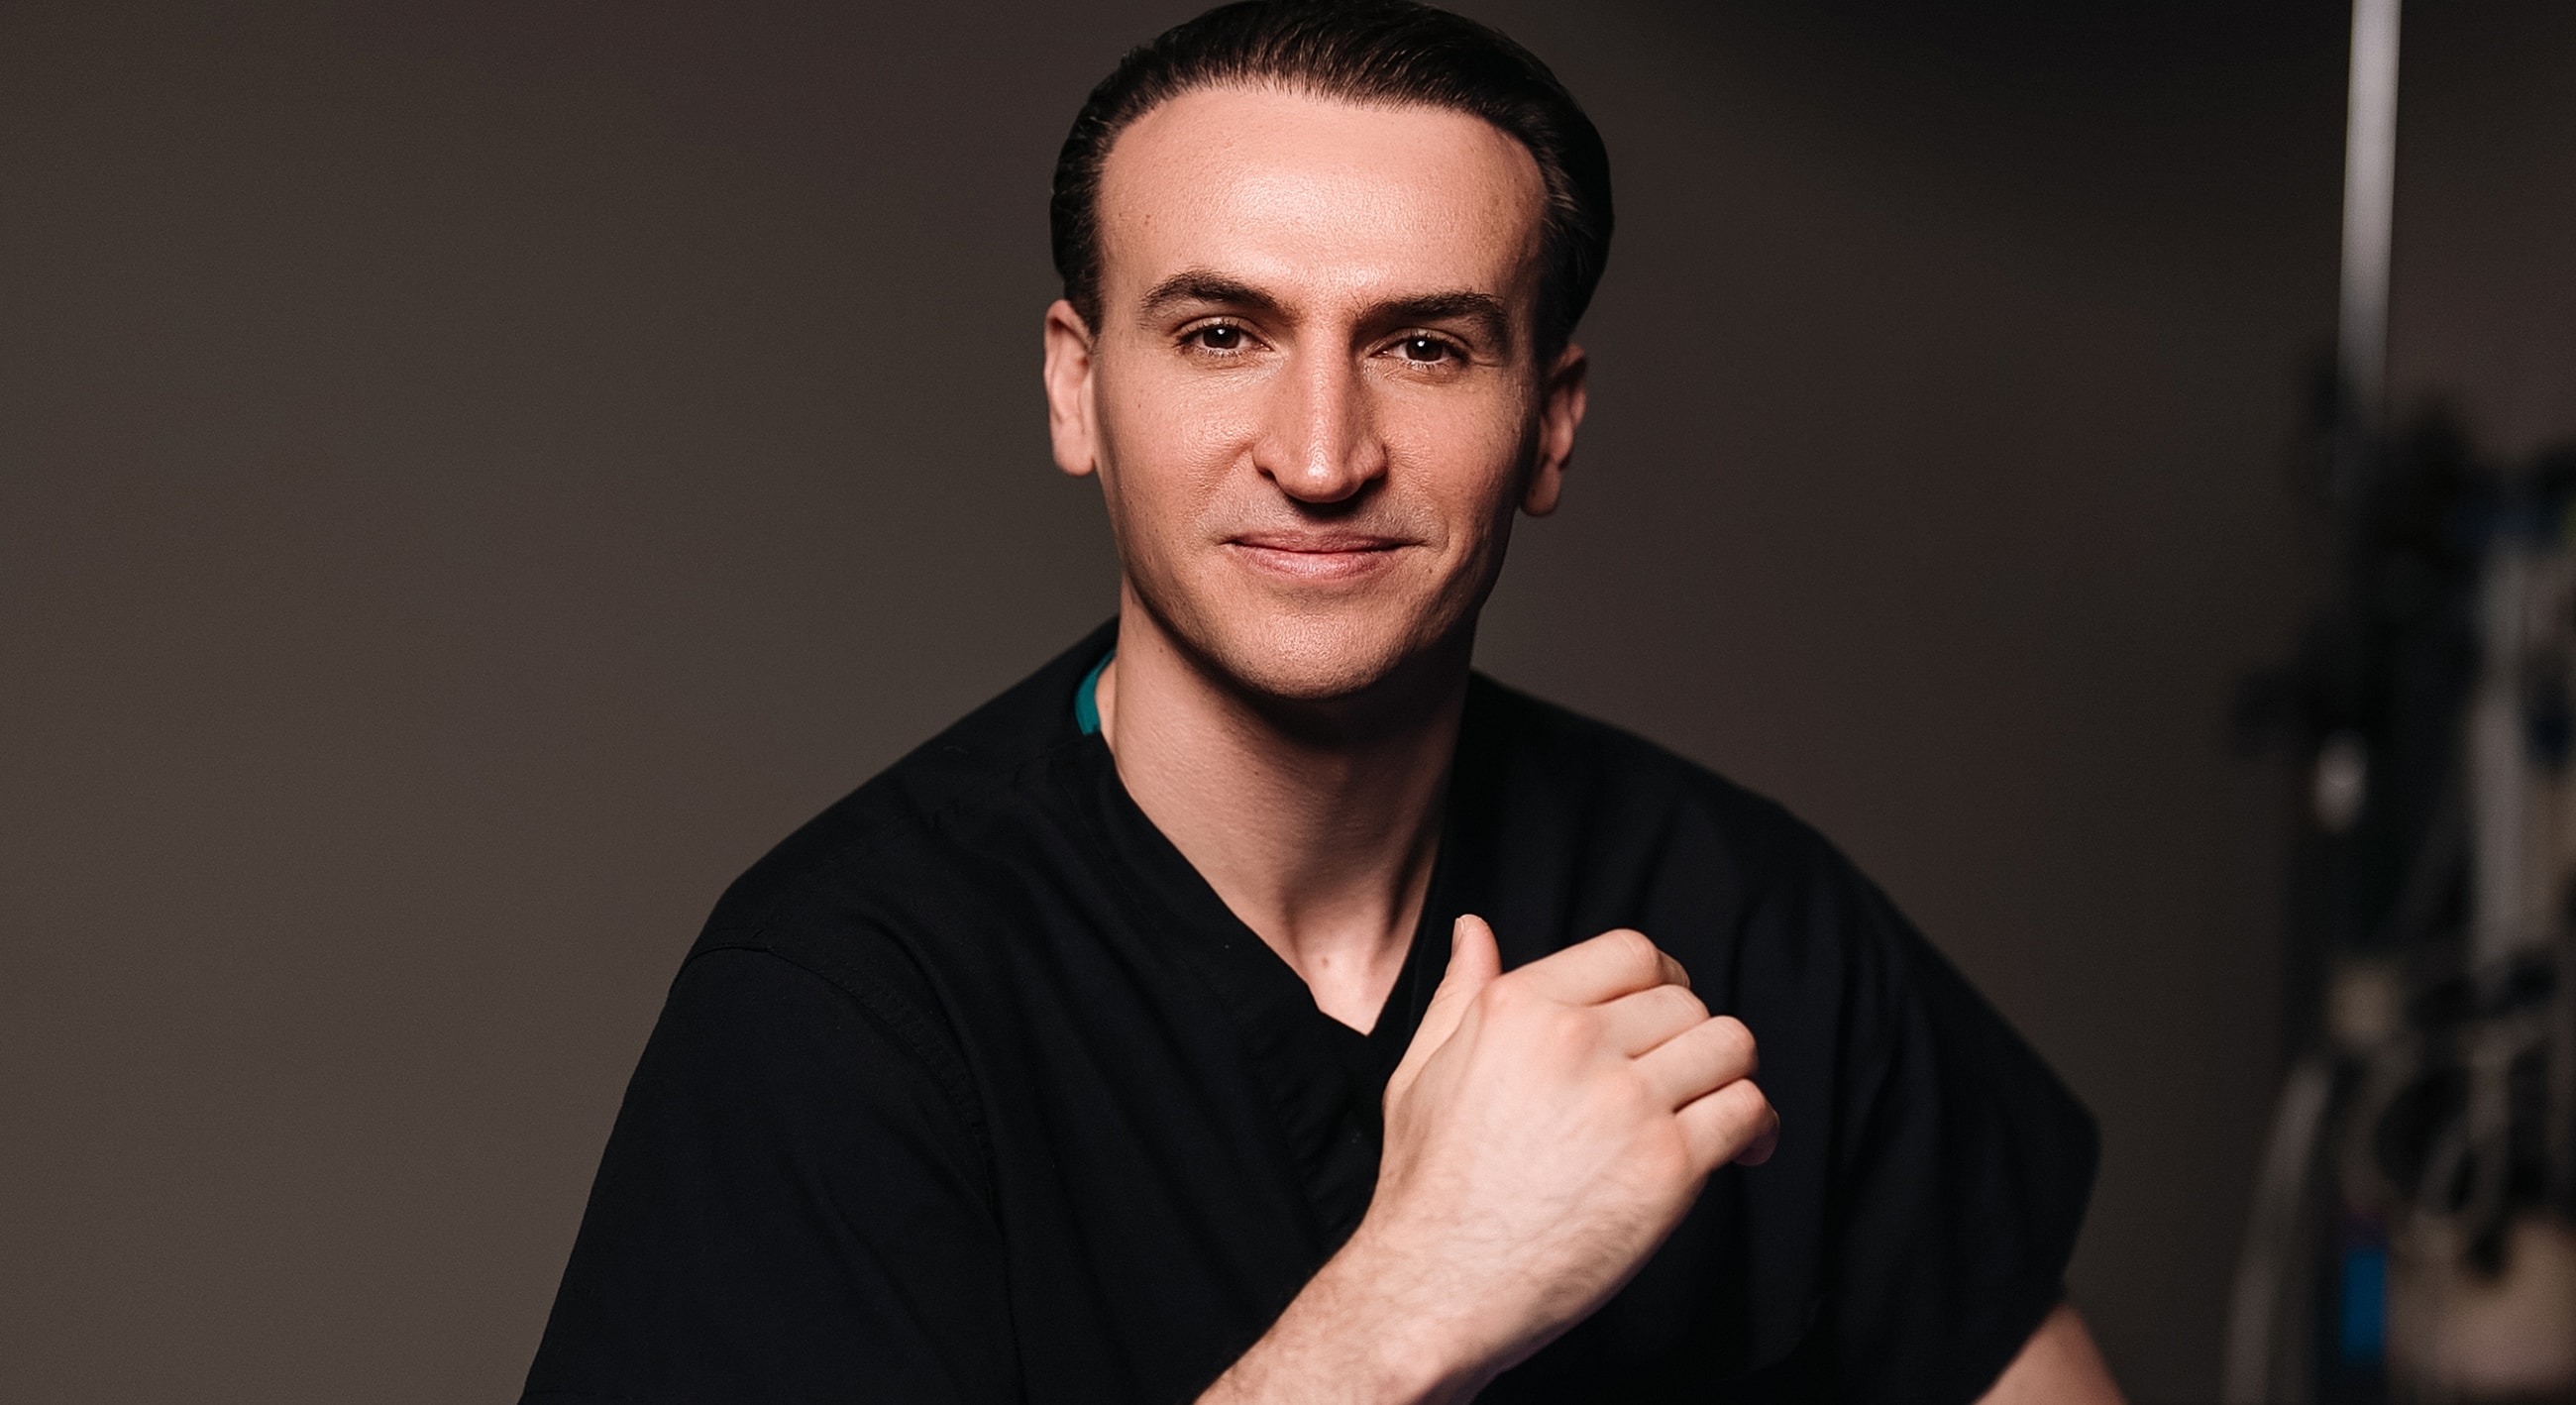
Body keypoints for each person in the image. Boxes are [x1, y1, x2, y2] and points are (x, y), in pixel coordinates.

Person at [521, 3, 2121, 1401]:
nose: (1319, 452)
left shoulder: (1754, 925)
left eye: (1423, 347)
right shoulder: (842, 1001)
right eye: (1222, 334)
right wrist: (1406, 1305)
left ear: (1549, 421)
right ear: (1080, 387)